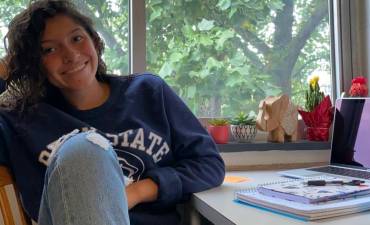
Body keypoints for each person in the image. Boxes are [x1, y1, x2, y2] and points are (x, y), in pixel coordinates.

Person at [0, 1, 225, 225]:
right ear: (33, 63)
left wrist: (139, 191)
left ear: (95, 42)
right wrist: (9, 67)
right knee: (84, 147)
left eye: (77, 38)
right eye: (49, 49)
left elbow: (208, 164)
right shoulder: (21, 119)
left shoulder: (148, 92)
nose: (70, 55)